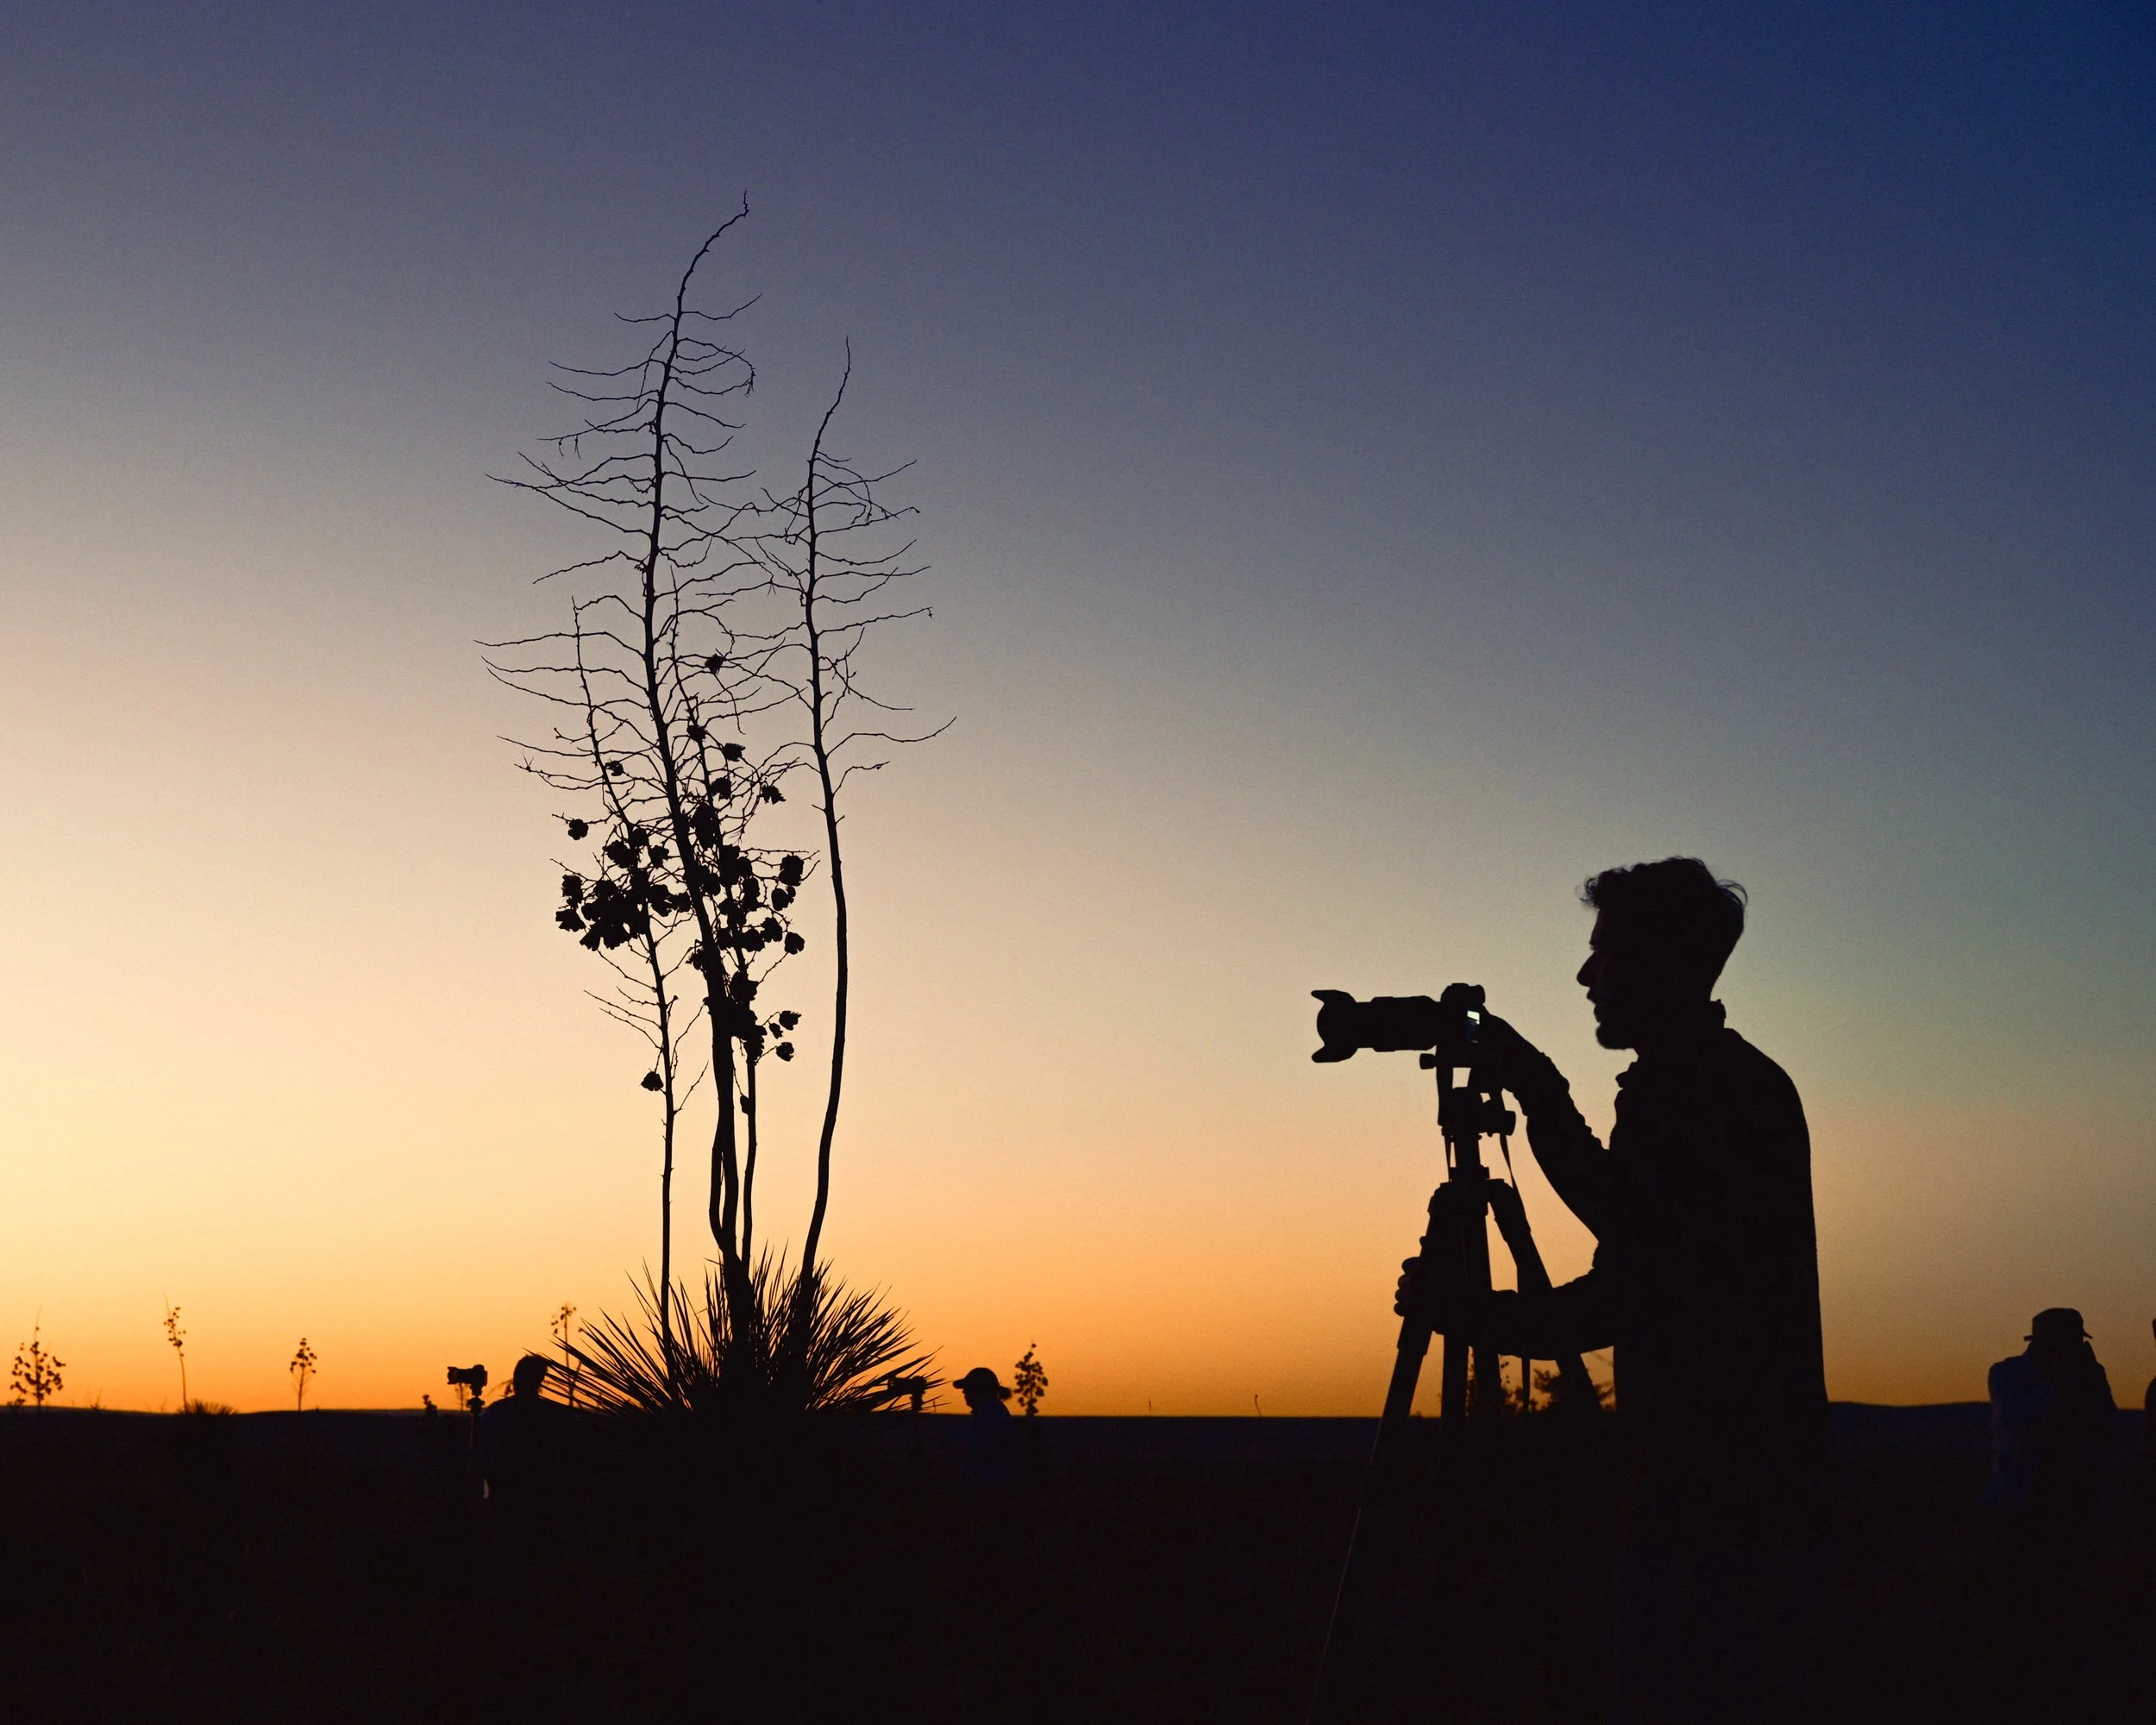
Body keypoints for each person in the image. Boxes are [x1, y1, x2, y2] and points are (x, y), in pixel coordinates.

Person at [1397, 856, 1830, 1723]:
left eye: (1605, 953)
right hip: (1744, 1475)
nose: (1586, 976)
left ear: (1659, 962)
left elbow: (1628, 1286)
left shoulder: (1698, 1092)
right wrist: (1539, 1086)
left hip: (1714, 1489)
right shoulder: (1718, 1081)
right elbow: (1630, 1221)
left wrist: (1467, 1315)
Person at [1984, 1308, 2118, 1521]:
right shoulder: (2007, 1373)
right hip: (2018, 1502)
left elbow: (2110, 1427)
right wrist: (2056, 1381)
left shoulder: (2083, 1377)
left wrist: (2097, 1382)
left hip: (2075, 1505)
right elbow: (2014, 1423)